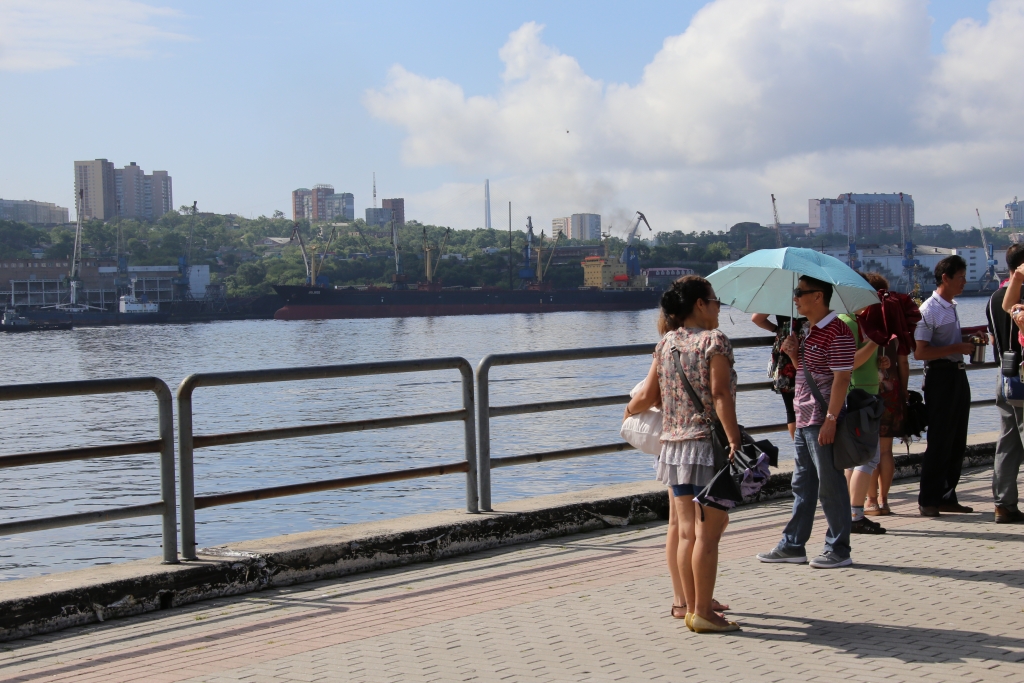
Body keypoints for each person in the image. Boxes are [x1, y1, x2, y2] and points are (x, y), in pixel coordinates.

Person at [626, 275, 742, 633]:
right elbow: (720, 394)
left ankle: (691, 607)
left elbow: (649, 395)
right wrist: (735, 439)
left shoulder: (666, 344)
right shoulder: (714, 341)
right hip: (707, 445)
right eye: (715, 299)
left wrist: (630, 411)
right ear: (700, 305)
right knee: (710, 533)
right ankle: (704, 614)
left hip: (674, 449)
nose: (719, 306)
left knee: (687, 532)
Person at [756, 275, 857, 568]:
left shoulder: (836, 331)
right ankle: (793, 544)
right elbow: (809, 374)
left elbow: (841, 379)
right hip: (804, 418)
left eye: (801, 292)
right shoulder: (809, 330)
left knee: (831, 485)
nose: (795, 298)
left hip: (820, 419)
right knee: (803, 484)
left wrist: (831, 419)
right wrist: (794, 354)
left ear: (818, 296)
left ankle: (838, 548)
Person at [914, 255, 977, 517]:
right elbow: (920, 352)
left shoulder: (950, 306)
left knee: (957, 439)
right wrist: (956, 348)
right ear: (945, 278)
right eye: (960, 277)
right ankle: (928, 499)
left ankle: (947, 495)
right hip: (941, 376)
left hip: (957, 374)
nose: (964, 282)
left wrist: (966, 341)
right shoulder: (929, 309)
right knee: (940, 439)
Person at [861, 273, 916, 516]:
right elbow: (904, 363)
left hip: (870, 391)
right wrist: (903, 390)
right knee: (886, 450)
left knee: (869, 450)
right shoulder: (895, 326)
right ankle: (884, 500)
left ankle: (870, 500)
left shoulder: (863, 324)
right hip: (893, 392)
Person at [839, 302, 887, 534]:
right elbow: (850, 362)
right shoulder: (847, 323)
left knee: (856, 458)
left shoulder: (858, 323)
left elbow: (863, 359)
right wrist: (875, 341)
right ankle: (855, 514)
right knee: (868, 458)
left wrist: (879, 361)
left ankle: (849, 512)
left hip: (866, 394)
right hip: (858, 397)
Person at [989, 244, 1024, 523]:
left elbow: (992, 337)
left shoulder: (993, 297)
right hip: (1022, 374)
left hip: (1004, 372)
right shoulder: (1019, 294)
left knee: (1008, 440)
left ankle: (1003, 502)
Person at [751, 314, 803, 440]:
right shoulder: (811, 296)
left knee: (791, 410)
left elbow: (756, 319)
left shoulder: (782, 295)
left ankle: (799, 449)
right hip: (810, 344)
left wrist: (778, 329)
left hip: (786, 346)